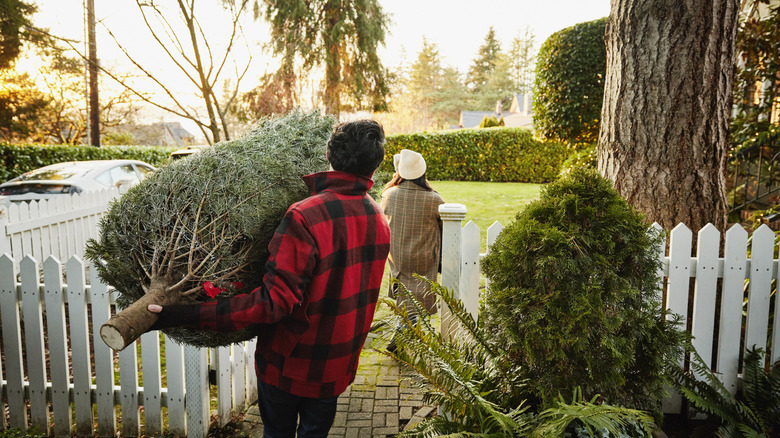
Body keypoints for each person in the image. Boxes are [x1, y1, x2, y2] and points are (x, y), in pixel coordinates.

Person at [147, 119, 390, 438]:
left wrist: (183, 314)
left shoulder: (305, 216)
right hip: (335, 367)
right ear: (374, 166)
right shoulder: (378, 220)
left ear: (329, 154)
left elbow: (271, 304)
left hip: (287, 367)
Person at [380, 149, 444, 351]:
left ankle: (402, 332)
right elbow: (445, 227)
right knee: (418, 296)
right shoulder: (434, 199)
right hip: (422, 254)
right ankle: (401, 334)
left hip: (397, 255)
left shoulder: (388, 194)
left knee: (405, 294)